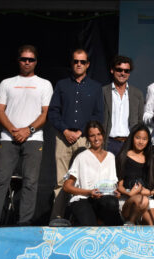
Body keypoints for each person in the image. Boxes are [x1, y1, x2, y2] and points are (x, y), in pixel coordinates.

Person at [0, 45, 53, 226]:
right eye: (24, 59)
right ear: (18, 60)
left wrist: (27, 130)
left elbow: (45, 113)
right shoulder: (6, 83)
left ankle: (24, 222)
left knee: (30, 182)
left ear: (36, 62)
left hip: (33, 138)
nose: (27, 62)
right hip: (8, 138)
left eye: (31, 59)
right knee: (1, 180)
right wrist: (14, 130)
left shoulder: (44, 84)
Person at [48, 48, 104, 221]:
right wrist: (65, 130)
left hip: (84, 139)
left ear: (87, 64)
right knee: (61, 181)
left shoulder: (95, 87)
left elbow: (98, 114)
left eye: (82, 62)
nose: (78, 64)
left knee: (85, 181)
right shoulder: (62, 85)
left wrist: (80, 131)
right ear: (71, 63)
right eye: (75, 61)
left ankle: (83, 220)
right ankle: (57, 217)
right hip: (63, 137)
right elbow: (53, 112)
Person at [63, 121, 122, 226]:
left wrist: (115, 192)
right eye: (92, 135)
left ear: (103, 135)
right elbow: (67, 187)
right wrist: (89, 192)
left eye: (99, 134)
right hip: (83, 198)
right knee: (90, 227)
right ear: (88, 138)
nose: (96, 139)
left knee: (111, 204)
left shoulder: (111, 157)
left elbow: (112, 183)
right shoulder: (81, 157)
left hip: (104, 200)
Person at [115, 124, 154, 225]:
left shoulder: (151, 159)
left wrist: (151, 192)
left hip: (147, 199)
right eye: (138, 138)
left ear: (148, 141)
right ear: (132, 137)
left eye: (144, 139)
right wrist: (129, 193)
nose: (141, 142)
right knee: (142, 201)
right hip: (128, 200)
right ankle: (130, 223)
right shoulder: (123, 157)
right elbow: (119, 186)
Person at [103, 55, 144, 156]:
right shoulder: (103, 92)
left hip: (129, 144)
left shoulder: (137, 94)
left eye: (126, 71)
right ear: (112, 70)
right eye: (119, 70)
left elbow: (140, 121)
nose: (123, 73)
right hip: (108, 143)